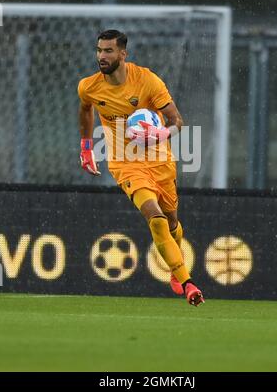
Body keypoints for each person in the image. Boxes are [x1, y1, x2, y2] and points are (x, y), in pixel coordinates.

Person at [78, 29, 204, 307]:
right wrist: (87, 146)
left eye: (108, 51)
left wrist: (157, 135)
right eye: (99, 50)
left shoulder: (147, 81)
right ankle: (187, 282)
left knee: (171, 223)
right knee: (155, 218)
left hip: (160, 162)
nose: (102, 56)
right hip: (125, 165)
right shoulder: (89, 86)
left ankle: (175, 262)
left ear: (123, 54)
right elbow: (86, 108)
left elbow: (176, 121)